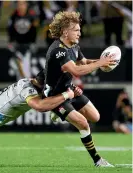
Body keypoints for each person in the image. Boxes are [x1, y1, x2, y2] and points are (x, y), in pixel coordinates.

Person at [43, 11, 117, 167]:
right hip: (55, 97)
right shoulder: (58, 51)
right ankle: (98, 160)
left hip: (69, 89)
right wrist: (99, 63)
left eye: (79, 30)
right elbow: (76, 71)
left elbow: (83, 62)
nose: (79, 33)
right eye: (76, 30)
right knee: (83, 123)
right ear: (65, 32)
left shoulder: (74, 46)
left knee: (95, 117)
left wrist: (104, 61)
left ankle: (60, 114)